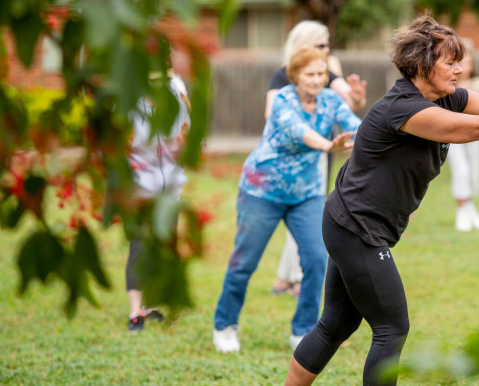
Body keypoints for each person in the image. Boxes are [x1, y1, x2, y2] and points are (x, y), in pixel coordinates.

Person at [283, 13, 479, 386]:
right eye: (450, 62)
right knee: (392, 326)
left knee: (336, 323)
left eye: (459, 60)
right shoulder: (404, 109)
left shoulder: (447, 98)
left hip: (347, 222)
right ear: (421, 65)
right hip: (356, 228)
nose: (459, 69)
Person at [212, 47, 362, 353]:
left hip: (305, 194)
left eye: (321, 74)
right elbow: (299, 131)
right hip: (262, 192)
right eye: (310, 74)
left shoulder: (331, 100)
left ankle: (303, 329)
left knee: (317, 260)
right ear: (295, 75)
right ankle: (225, 325)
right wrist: (327, 146)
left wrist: (376, 137)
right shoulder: (282, 99)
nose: (317, 80)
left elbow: (355, 125)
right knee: (244, 262)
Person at [267, 21, 367, 299]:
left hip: (321, 155)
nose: (327, 50)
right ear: (303, 47)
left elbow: (349, 103)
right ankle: (292, 277)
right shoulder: (281, 76)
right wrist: (306, 130)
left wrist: (357, 99)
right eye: (320, 45)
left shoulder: (328, 71)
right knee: (297, 216)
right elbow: (271, 115)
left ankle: (292, 278)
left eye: (327, 45)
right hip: (288, 161)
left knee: (308, 217)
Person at [125, 69, 191, 332]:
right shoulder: (129, 92)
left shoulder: (177, 88)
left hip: (170, 185)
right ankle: (134, 312)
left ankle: (151, 305)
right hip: (139, 184)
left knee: (164, 246)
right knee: (139, 245)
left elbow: (189, 128)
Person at [447, 53, 479, 231]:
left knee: (473, 171)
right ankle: (461, 209)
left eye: (469, 62)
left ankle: (470, 207)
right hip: (453, 133)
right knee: (461, 170)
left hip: (474, 133)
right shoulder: (448, 85)